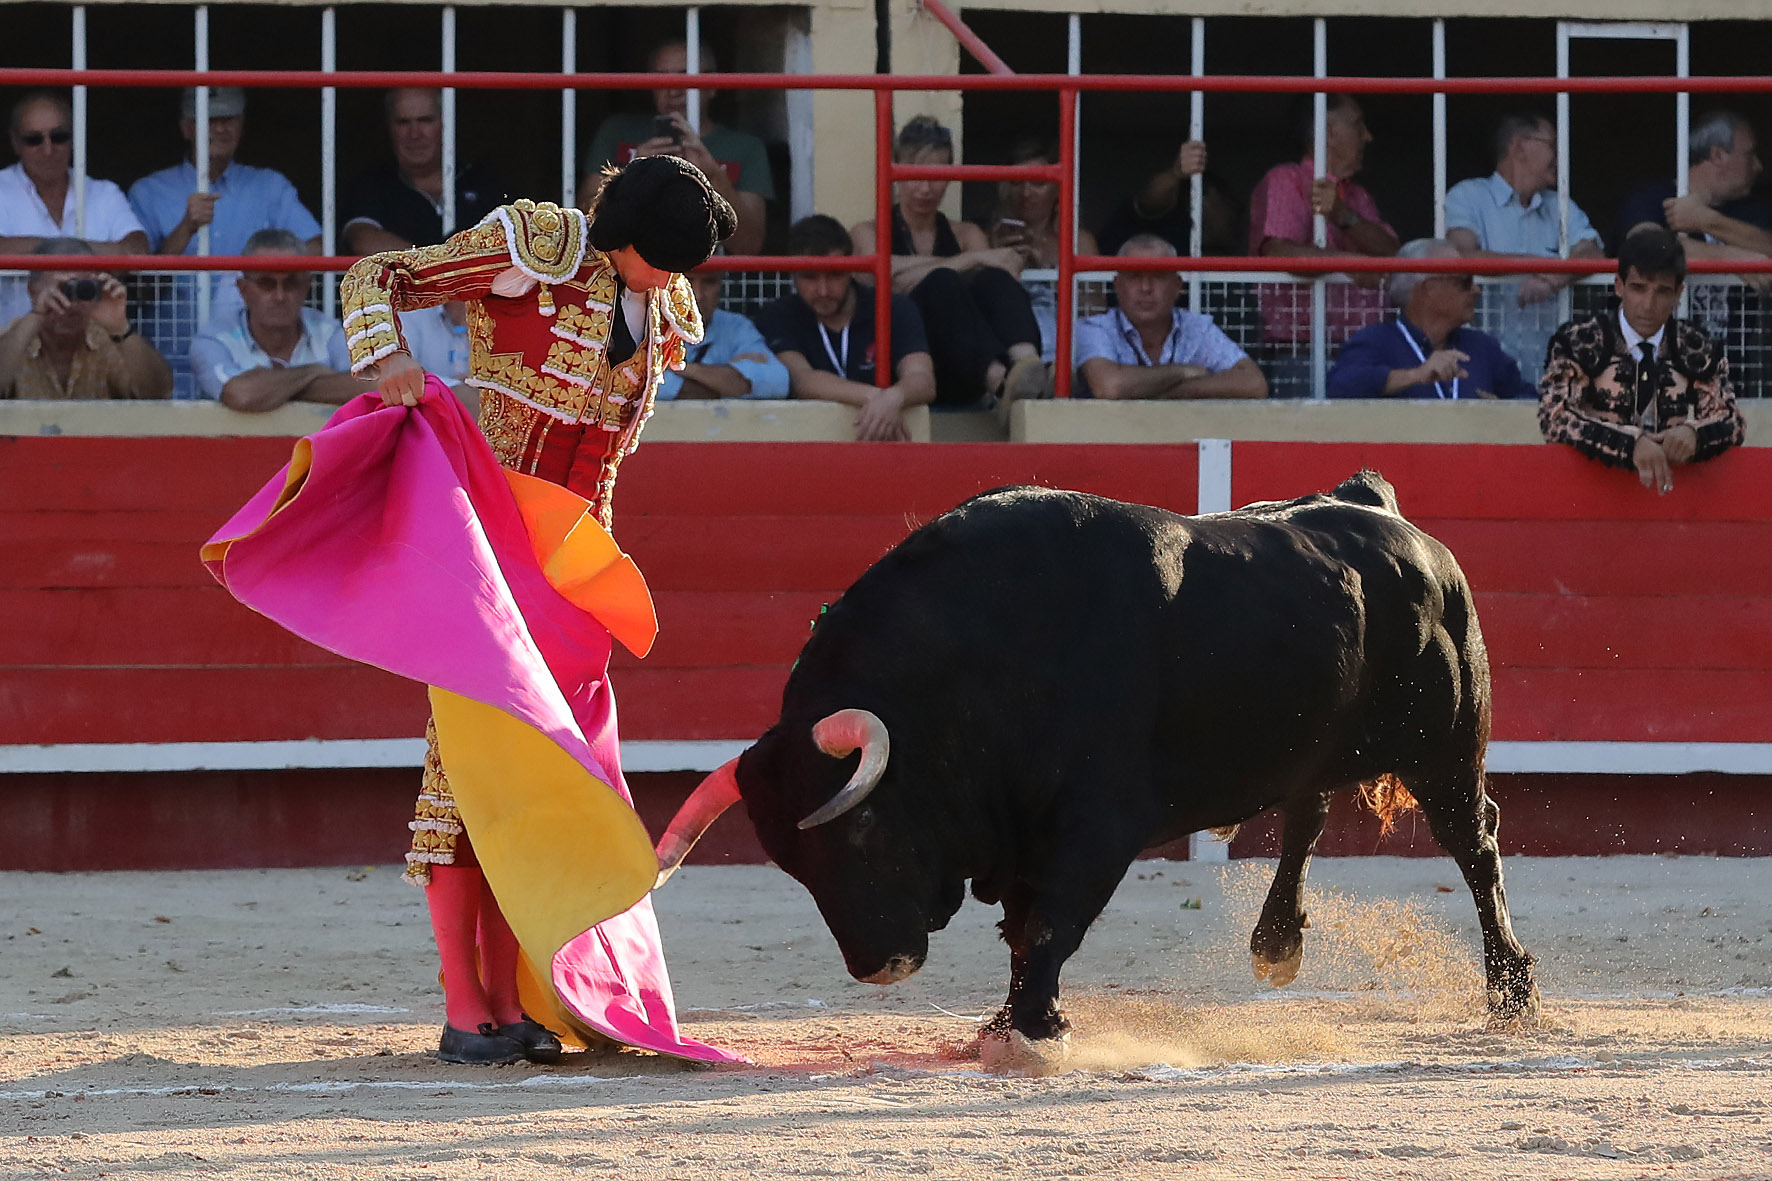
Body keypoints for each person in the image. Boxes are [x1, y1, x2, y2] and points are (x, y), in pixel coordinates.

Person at [342, 155, 736, 1065]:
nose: (670, 283)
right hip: (486, 553)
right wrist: (390, 357)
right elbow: (376, 275)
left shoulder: (663, 303)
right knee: (464, 778)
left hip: (573, 573)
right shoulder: (539, 248)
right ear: (624, 236)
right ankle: (463, 1005)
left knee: (539, 788)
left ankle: (516, 999)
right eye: (661, 262)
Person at [850, 116, 1046, 407]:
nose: (925, 188)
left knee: (990, 279)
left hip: (961, 363)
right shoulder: (867, 233)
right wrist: (972, 257)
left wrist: (940, 266)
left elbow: (1001, 275)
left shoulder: (966, 233)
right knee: (942, 281)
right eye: (914, 175)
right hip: (905, 362)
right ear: (894, 171)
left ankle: (1027, 367)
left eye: (936, 175)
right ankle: (1001, 386)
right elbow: (887, 279)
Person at [1539, 226, 1744, 495]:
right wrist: (1629, 444)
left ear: (1678, 294)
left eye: (1662, 291)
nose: (1648, 304)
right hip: (1592, 492)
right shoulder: (1578, 341)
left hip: (1669, 497)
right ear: (1619, 286)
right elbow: (1554, 417)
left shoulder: (1696, 346)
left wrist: (1694, 434)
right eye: (1638, 288)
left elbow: (1731, 421)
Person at [1250, 94, 1400, 395]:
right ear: (1327, 132)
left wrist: (1344, 216)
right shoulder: (1286, 180)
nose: (1367, 136)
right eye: (1358, 125)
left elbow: (1395, 252)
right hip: (1304, 353)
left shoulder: (1358, 197)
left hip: (1365, 353)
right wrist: (1350, 263)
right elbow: (1279, 252)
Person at [1444, 114, 1605, 381]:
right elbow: (1460, 255)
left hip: (1551, 366)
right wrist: (1539, 265)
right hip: (1484, 366)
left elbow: (1594, 253)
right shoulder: (1468, 196)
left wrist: (1554, 277)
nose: (1560, 155)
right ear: (1519, 147)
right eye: (1553, 145)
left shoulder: (1560, 205)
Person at [578, 41, 771, 257]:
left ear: (712, 85)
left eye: (685, 78)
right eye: (661, 78)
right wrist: (632, 173)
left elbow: (749, 246)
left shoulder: (745, 147)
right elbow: (585, 222)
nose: (673, 90)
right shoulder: (618, 131)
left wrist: (712, 174)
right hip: (631, 269)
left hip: (708, 273)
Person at [753, 214, 935, 441]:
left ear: (851, 268)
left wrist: (895, 398)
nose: (823, 290)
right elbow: (801, 380)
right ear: (793, 275)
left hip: (886, 447)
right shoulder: (778, 315)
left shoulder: (893, 307)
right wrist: (879, 398)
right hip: (810, 445)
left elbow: (923, 379)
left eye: (835, 275)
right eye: (809, 277)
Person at [0, 92, 148, 323]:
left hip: (94, 340)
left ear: (74, 138)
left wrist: (39, 253)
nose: (48, 150)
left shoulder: (104, 192)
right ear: (15, 142)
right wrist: (90, 253)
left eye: (59, 137)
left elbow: (136, 253)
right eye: (34, 139)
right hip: (14, 340)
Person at [1328, 239, 1535, 400]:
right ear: (1427, 290)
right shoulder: (1376, 340)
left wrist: (1503, 410)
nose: (1476, 290)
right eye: (1464, 281)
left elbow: (1530, 400)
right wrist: (1416, 375)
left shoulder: (1483, 347)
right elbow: (1339, 387)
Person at [188, 228, 371, 411]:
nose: (280, 296)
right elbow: (241, 395)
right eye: (266, 283)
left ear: (306, 286)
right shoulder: (214, 340)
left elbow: (371, 386)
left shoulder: (329, 331)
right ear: (243, 289)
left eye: (291, 282)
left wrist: (274, 388)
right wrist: (313, 371)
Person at [128, 87, 323, 258]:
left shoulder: (270, 186)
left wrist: (260, 272)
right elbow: (139, 279)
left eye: (229, 119)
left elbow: (317, 248)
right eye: (210, 120)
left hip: (249, 291)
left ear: (241, 124)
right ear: (186, 128)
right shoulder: (149, 191)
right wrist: (185, 228)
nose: (221, 129)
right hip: (183, 293)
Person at [1072, 234, 1266, 400]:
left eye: (1158, 276)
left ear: (1177, 286)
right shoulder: (1094, 328)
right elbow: (1110, 386)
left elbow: (1254, 384)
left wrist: (1171, 391)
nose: (1146, 288)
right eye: (1134, 277)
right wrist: (1185, 371)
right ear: (1117, 285)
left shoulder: (1196, 327)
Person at [342, 88, 511, 255]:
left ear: (446, 123)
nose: (414, 134)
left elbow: (511, 242)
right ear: (389, 128)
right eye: (403, 122)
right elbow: (362, 239)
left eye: (425, 120)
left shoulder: (485, 182)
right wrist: (440, 265)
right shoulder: (372, 185)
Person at [0, 238, 169, 400]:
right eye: (63, 290)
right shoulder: (15, 339)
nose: (72, 304)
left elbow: (158, 393)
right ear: (32, 291)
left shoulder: (107, 340)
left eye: (82, 290)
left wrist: (121, 328)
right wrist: (37, 316)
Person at [983, 135, 1100, 365]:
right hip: (1010, 352)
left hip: (1067, 352)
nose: (1026, 193)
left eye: (1038, 183)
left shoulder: (1079, 242)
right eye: (1016, 182)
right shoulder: (987, 238)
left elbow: (1094, 311)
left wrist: (1047, 275)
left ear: (1058, 189)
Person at [657, 260, 788, 401]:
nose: (698, 296)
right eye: (686, 281)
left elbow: (778, 382)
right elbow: (645, 387)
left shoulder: (736, 326)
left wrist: (679, 367)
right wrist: (727, 380)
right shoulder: (647, 325)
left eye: (709, 282)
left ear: (721, 286)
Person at [1095, 137, 1207, 257]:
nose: (1208, 210)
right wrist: (1176, 174)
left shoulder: (1197, 243)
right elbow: (1151, 200)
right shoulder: (1141, 217)